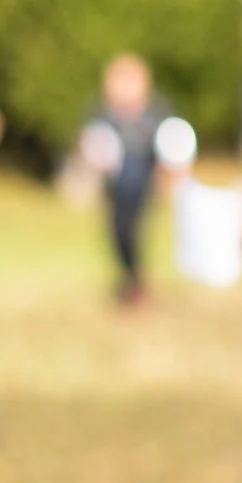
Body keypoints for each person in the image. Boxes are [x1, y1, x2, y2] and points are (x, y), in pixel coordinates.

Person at [78, 53, 182, 307]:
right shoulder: (102, 114)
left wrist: (167, 177)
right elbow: (91, 144)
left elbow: (170, 146)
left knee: (134, 233)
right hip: (114, 188)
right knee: (116, 234)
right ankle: (129, 279)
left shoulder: (155, 113)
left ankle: (137, 283)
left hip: (141, 186)